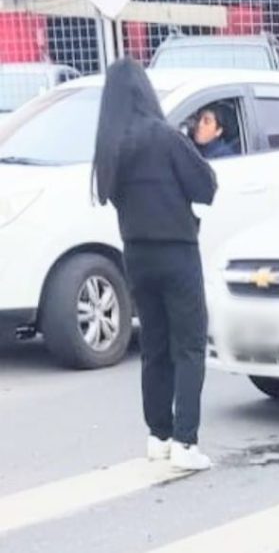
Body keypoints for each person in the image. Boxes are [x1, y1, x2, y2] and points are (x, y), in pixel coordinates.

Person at [92, 58, 218, 472]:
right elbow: (205, 186)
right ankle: (186, 440)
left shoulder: (110, 147)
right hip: (176, 251)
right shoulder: (164, 137)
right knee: (190, 345)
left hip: (136, 254)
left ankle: (158, 436)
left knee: (155, 347)